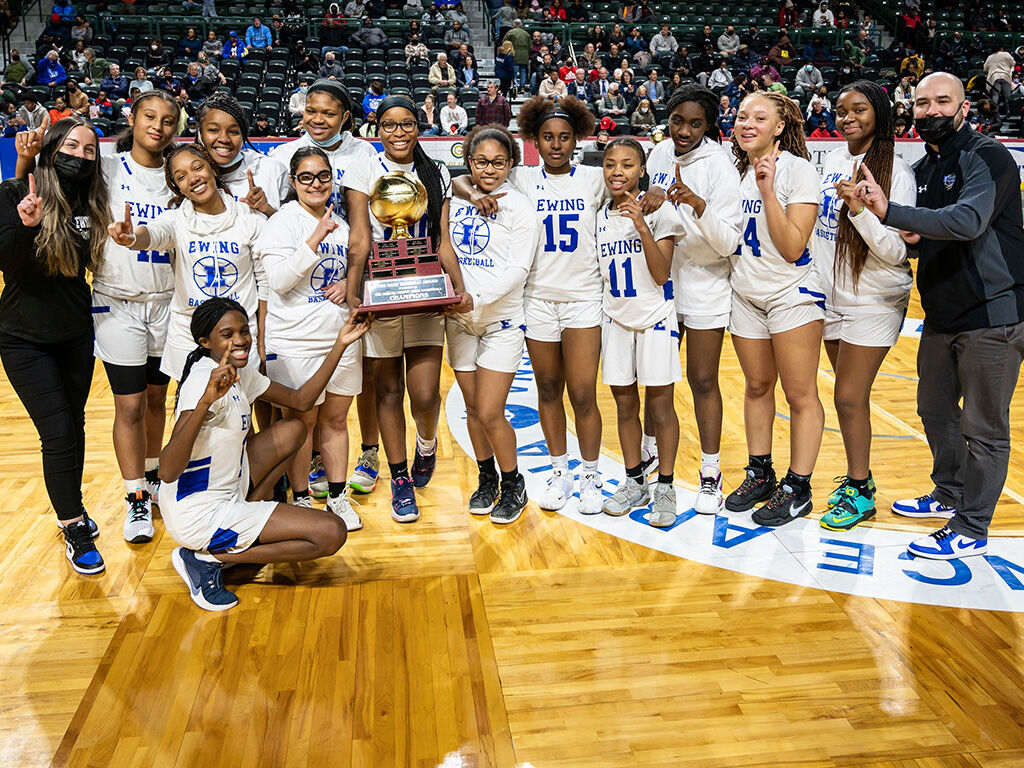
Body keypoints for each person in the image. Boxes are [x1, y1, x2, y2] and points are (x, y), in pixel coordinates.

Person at [453, 96, 663, 514]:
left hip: (584, 298)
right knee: (548, 390)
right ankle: (559, 473)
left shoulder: (594, 178)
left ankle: (590, 477)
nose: (556, 145)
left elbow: (635, 180)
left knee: (583, 393)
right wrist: (471, 191)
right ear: (533, 139)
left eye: (564, 137)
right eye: (547, 137)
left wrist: (654, 187)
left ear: (577, 139)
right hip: (536, 299)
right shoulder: (523, 179)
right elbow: (460, 181)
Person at [855, 71, 1024, 559]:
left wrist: (893, 214)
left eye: (942, 102)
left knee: (984, 426)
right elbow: (926, 232)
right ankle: (948, 493)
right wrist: (906, 233)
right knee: (933, 409)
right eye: (923, 103)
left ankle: (972, 527)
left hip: (994, 315)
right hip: (943, 314)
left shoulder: (987, 157)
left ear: (964, 107)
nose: (931, 111)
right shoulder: (926, 167)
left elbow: (969, 221)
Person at [157, 297, 369, 611]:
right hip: (200, 511)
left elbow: (300, 400)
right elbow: (167, 472)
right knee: (331, 533)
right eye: (227, 335)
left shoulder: (239, 370)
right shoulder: (203, 381)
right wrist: (204, 403)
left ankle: (249, 514)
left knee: (294, 429)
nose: (240, 340)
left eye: (244, 331)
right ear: (205, 342)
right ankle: (207, 557)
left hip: (230, 483)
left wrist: (340, 343)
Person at [343, 95, 471, 522]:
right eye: (389, 125)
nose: (398, 132)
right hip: (381, 291)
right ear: (376, 129)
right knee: (388, 390)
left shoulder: (435, 173)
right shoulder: (364, 169)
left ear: (419, 126)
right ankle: (399, 478)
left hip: (424, 291)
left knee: (424, 393)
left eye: (407, 124)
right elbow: (360, 236)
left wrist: (459, 287)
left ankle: (428, 443)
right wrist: (353, 290)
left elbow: (442, 240)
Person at [0, 118, 111, 573]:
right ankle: (73, 524)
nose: (80, 155)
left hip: (75, 332)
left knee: (75, 424)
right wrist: (27, 225)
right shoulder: (13, 194)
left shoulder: (93, 200)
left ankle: (74, 506)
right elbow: (8, 264)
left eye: (89, 150)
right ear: (50, 147)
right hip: (24, 337)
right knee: (58, 432)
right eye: (71, 145)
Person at [810, 81, 916, 531]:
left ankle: (860, 488)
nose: (846, 117)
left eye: (858, 110)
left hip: (875, 299)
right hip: (833, 297)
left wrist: (859, 211)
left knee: (849, 396)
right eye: (840, 110)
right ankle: (860, 483)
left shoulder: (899, 172)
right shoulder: (833, 160)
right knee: (848, 398)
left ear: (880, 115)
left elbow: (896, 252)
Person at [727, 92, 824, 526]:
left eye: (759, 117)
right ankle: (760, 472)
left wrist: (768, 192)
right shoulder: (736, 172)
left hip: (792, 294)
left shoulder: (798, 171)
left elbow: (791, 247)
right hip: (747, 294)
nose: (747, 123)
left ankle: (797, 486)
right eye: (742, 116)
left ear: (780, 126)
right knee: (756, 386)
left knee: (800, 394)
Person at [644, 85, 742, 514]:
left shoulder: (720, 165)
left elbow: (729, 243)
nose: (684, 131)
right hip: (662, 285)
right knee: (656, 377)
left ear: (709, 126)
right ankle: (647, 456)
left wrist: (698, 205)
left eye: (695, 124)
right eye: (678, 121)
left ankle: (710, 471)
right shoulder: (659, 155)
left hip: (705, 285)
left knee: (703, 380)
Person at [257, 147, 363, 529]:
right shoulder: (283, 222)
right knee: (301, 424)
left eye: (323, 176)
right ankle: (301, 499)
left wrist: (348, 282)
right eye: (306, 177)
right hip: (296, 342)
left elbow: (353, 271)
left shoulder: (346, 224)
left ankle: (337, 496)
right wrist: (315, 238)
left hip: (341, 336)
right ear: (293, 181)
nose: (316, 184)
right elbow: (280, 282)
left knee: (336, 421)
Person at [108, 143, 267, 383]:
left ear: (213, 169)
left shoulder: (250, 219)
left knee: (241, 414)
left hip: (239, 335)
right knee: (194, 414)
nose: (192, 178)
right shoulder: (175, 220)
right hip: (189, 335)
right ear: (177, 187)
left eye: (197, 168)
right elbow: (154, 234)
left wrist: (263, 340)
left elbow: (264, 283)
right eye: (181, 176)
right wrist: (132, 238)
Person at [446, 124, 538, 523]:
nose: (489, 169)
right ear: (469, 162)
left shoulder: (520, 208)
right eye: (481, 162)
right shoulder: (456, 195)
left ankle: (513, 483)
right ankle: (487, 478)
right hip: (459, 322)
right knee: (470, 408)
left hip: (500, 321)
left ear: (511, 164)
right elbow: (444, 244)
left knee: (489, 411)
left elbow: (519, 268)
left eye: (498, 163)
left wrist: (475, 297)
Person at [596, 137, 685, 527]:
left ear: (642, 169)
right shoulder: (599, 214)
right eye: (611, 164)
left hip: (655, 319)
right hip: (616, 318)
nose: (618, 172)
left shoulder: (660, 212)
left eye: (628, 164)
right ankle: (635, 480)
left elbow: (661, 273)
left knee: (660, 408)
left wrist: (639, 223)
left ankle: (665, 486)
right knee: (624, 405)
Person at [196, 93, 289, 217]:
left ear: (243, 137)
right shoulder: (188, 176)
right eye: (213, 130)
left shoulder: (271, 169)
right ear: (200, 133)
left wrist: (267, 210)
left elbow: (295, 226)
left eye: (233, 132)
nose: (224, 139)